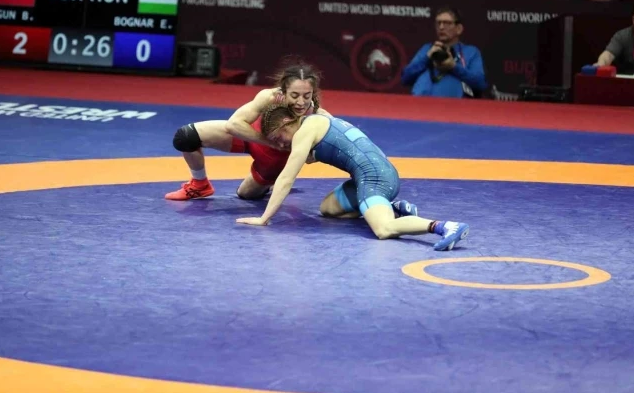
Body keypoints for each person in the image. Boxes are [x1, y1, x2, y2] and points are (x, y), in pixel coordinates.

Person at [236, 105, 470, 251]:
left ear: (287, 123)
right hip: (374, 172)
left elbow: (286, 178)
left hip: (374, 179)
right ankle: (393, 208)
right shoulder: (317, 120)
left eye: (278, 137)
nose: (280, 144)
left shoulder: (303, 133)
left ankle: (444, 226)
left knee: (383, 229)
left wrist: (264, 218)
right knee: (328, 209)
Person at [165, 60, 331, 201]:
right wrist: (269, 142)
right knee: (186, 137)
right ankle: (200, 185)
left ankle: (271, 182)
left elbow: (330, 149)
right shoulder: (269, 97)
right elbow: (234, 125)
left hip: (272, 160)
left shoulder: (318, 116)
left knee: (245, 194)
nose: (301, 102)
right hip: (251, 135)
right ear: (283, 90)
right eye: (294, 95)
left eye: (307, 96)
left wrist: (308, 154)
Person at [401, 7, 488, 98]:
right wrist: (426, 59)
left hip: (452, 105)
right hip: (420, 104)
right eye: (438, 23)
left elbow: (481, 83)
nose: (441, 27)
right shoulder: (427, 49)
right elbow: (405, 78)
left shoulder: (471, 52)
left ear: (459, 29)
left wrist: (454, 67)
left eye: (447, 23)